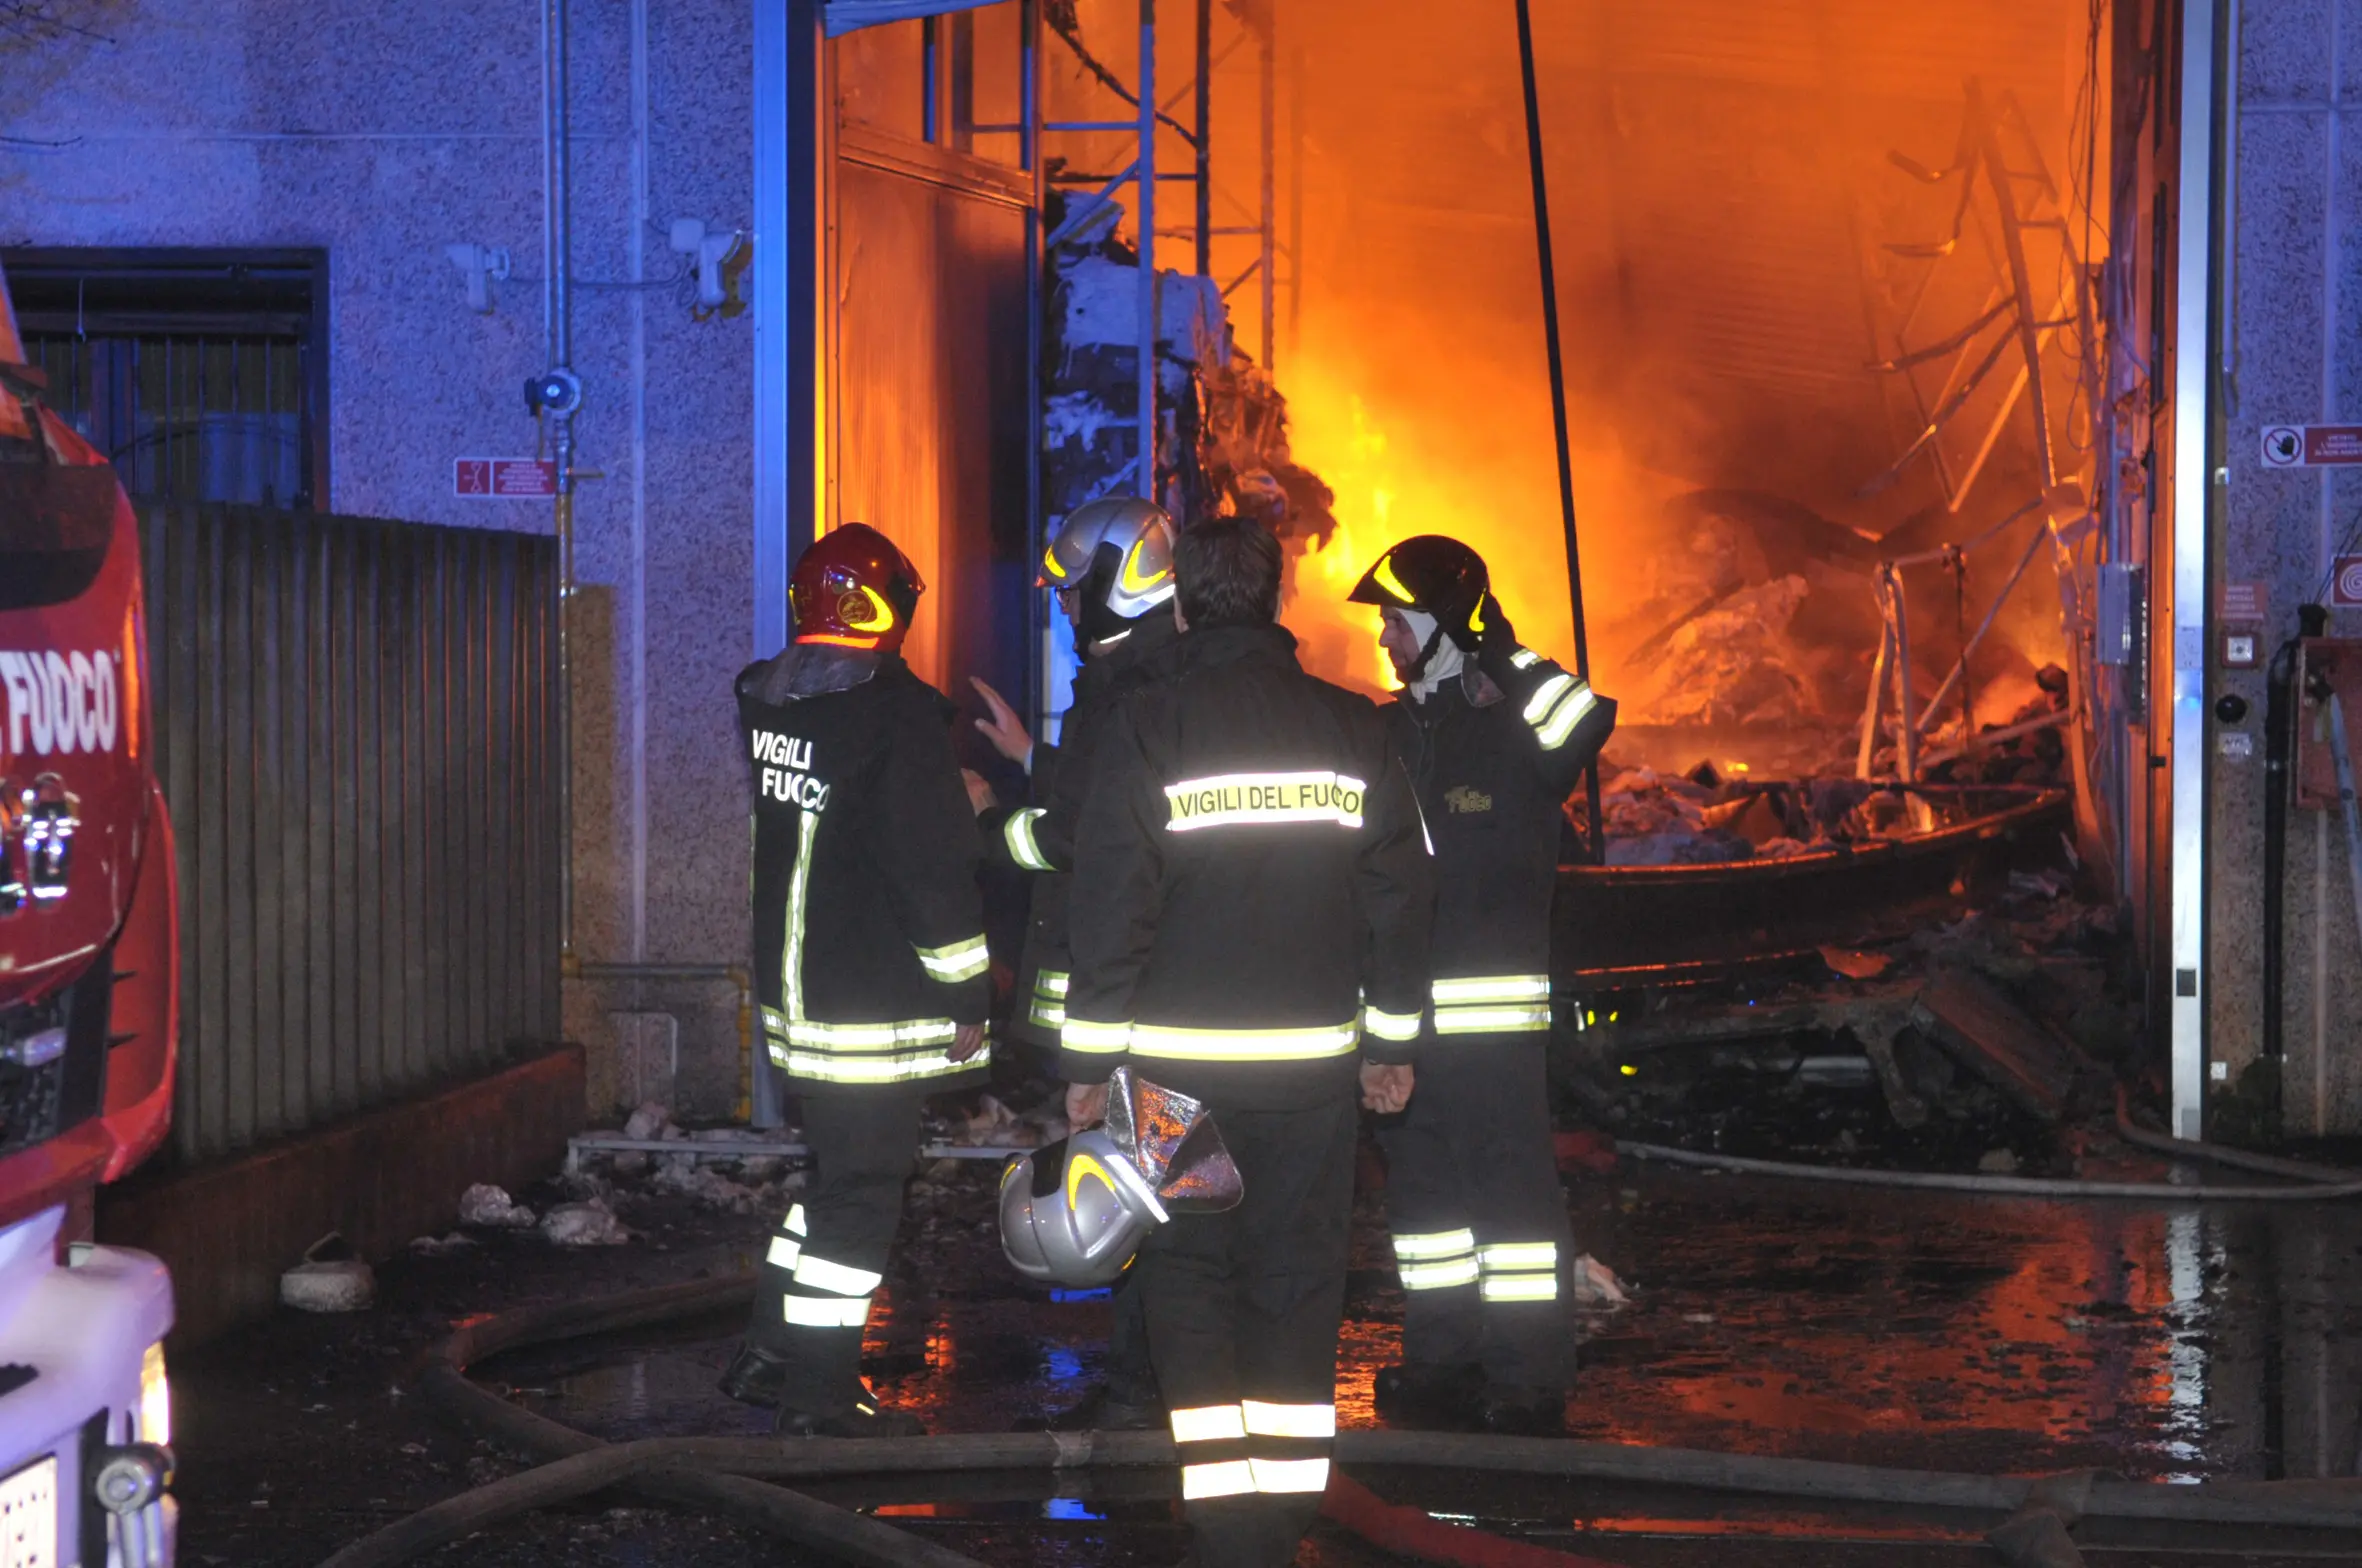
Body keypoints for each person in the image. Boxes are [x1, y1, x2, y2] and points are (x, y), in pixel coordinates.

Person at [1062, 516, 1433, 1568]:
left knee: (1185, 1285)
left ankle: (1222, 1517)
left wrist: (1089, 1068)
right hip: (1311, 1078)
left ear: (1180, 602)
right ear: (1276, 602)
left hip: (1174, 1083)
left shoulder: (1147, 727)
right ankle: (1276, 1518)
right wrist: (1390, 1045)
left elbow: (1110, 912)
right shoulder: (1355, 730)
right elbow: (1401, 897)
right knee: (1297, 1284)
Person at [718, 522, 992, 1437]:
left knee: (836, 1183)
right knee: (862, 1198)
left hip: (800, 1005)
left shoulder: (772, 704)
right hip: (871, 1006)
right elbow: (933, 869)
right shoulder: (898, 717)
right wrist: (965, 993)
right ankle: (821, 1400)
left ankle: (771, 1354)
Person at [1345, 534, 1616, 1436]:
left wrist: (1494, 643)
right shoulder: (1385, 732)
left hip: (1491, 1027)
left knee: (1512, 1209)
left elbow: (1583, 716)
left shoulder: (1512, 720)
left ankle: (1529, 1377)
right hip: (1400, 1021)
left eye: (1396, 617)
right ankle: (1444, 1359)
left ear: (1447, 619)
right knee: (1424, 1210)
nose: (1385, 636)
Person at [970, 495, 1184, 1432]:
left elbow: (1084, 841)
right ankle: (1147, 1379)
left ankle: (1147, 1390)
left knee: (1148, 1194)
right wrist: (1032, 755)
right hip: (1143, 989)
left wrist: (988, 822)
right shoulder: (1134, 676)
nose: (1062, 611)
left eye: (1071, 592)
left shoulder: (1131, 689)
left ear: (1114, 582)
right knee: (1147, 1185)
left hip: (1132, 1002)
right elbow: (1106, 798)